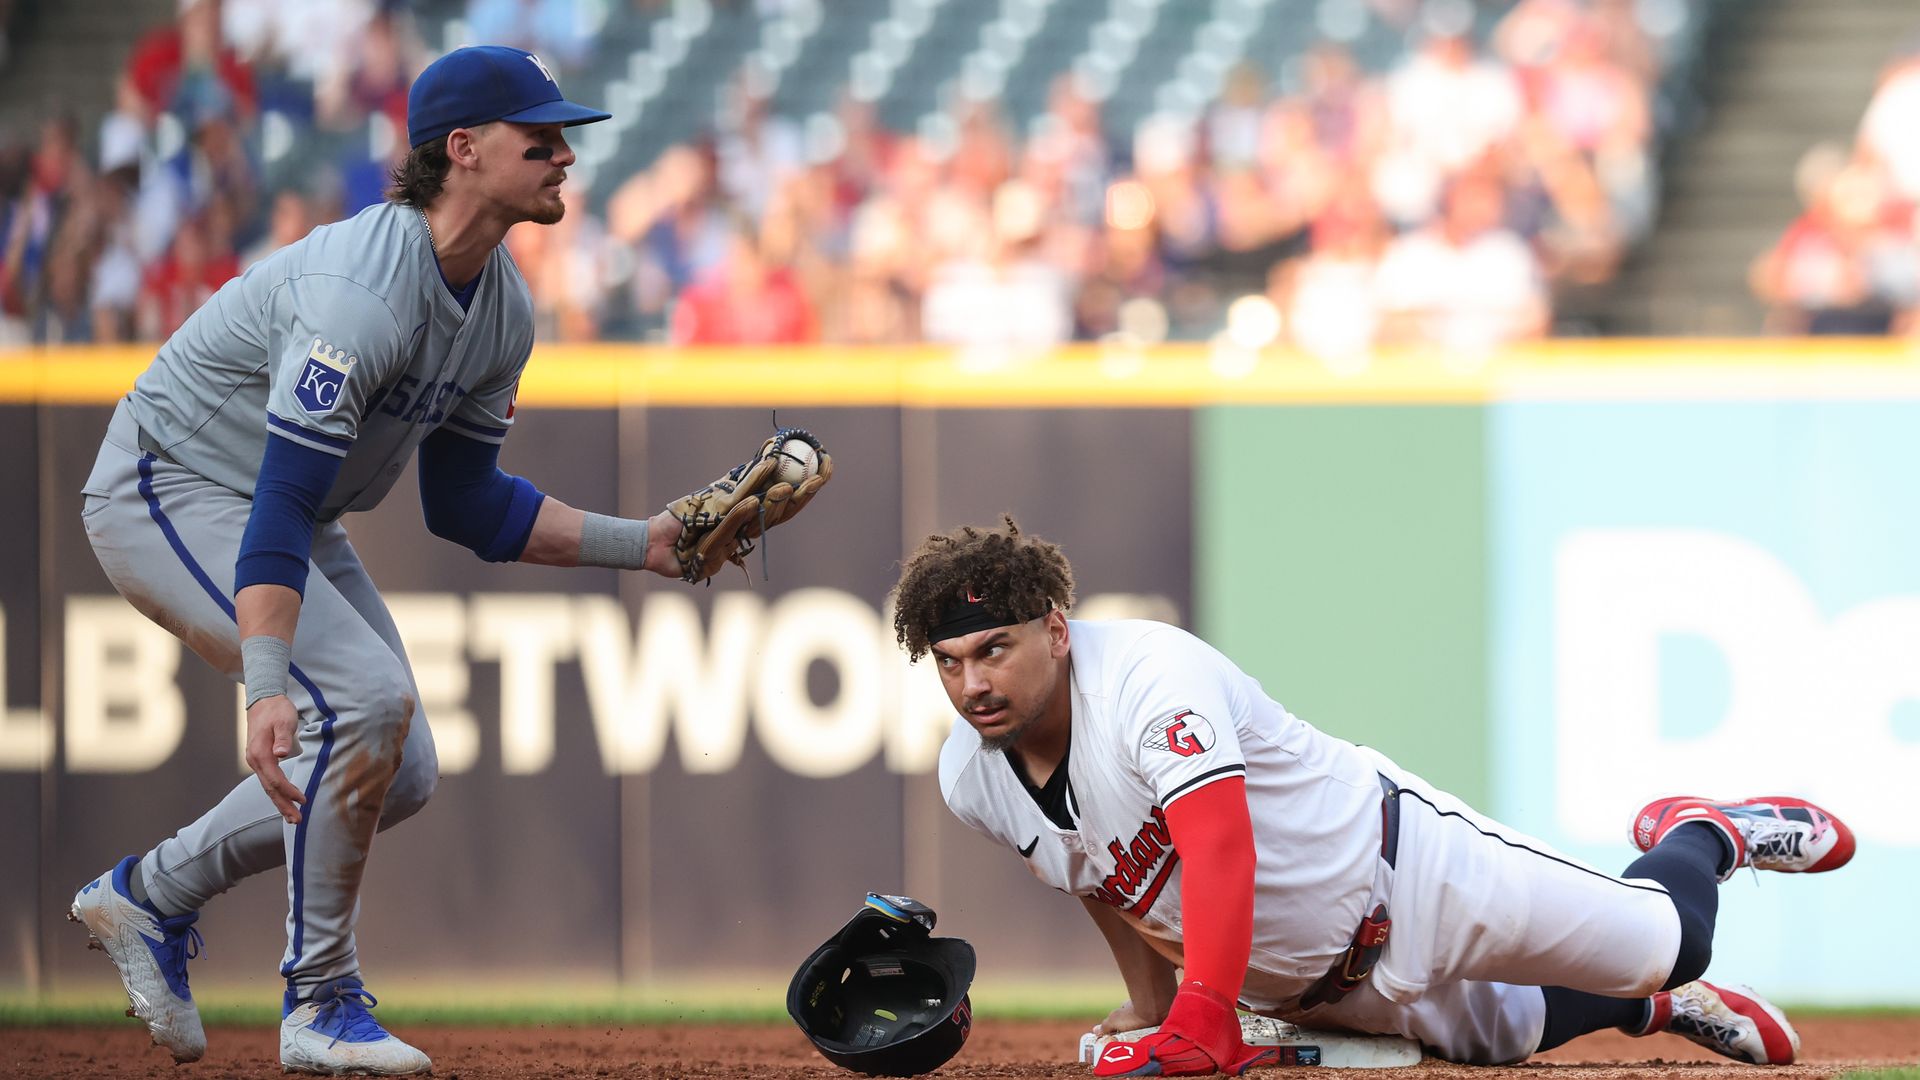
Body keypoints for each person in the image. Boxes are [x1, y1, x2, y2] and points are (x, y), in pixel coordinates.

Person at [68, 46, 694, 1076]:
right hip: (168, 485)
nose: (564, 153)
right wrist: (266, 685)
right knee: (351, 704)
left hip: (287, 513)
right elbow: (273, 495)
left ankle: (151, 895)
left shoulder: (502, 310)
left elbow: (466, 507)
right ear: (464, 149)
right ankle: (318, 1002)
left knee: (397, 766)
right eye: (540, 134)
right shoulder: (361, 291)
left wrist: (647, 546)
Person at [890, 518, 1855, 1077]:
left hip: (1411, 873)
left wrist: (1203, 1015)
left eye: (993, 649)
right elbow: (1104, 885)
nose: (973, 682)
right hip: (1304, 981)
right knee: (1508, 1037)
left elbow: (1220, 848)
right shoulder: (972, 776)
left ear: (1056, 631)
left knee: (1671, 939)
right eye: (949, 662)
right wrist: (1152, 1011)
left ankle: (1704, 831)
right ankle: (1654, 1011)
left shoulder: (1147, 674)